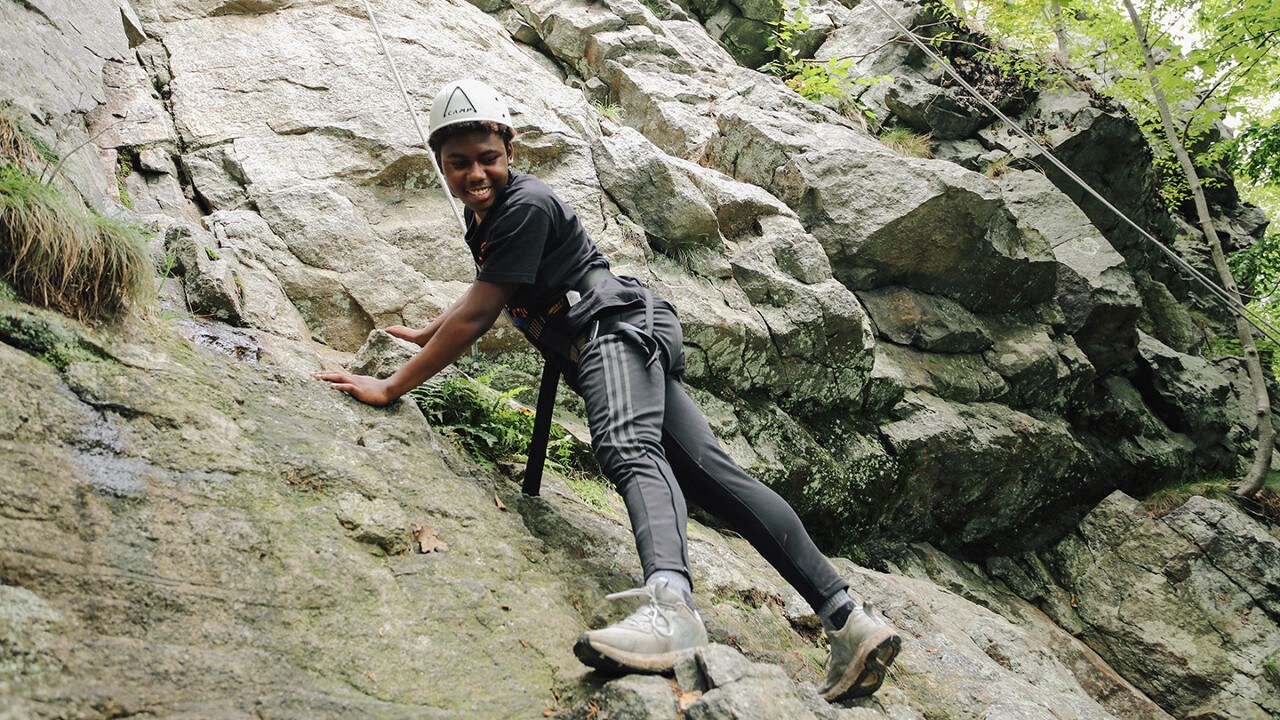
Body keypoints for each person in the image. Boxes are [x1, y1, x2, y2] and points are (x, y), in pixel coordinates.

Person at [311, 79, 900, 701]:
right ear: (439, 162)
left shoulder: (524, 205)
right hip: (625, 327)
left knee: (626, 446)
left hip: (609, 331)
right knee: (714, 478)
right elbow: (492, 288)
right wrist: (428, 330)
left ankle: (671, 610)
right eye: (459, 163)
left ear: (510, 150)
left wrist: (391, 385)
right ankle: (849, 620)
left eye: (488, 158)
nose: (475, 174)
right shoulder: (490, 212)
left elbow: (480, 314)